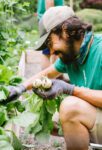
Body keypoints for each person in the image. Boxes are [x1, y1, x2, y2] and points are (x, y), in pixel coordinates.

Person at [7, 6, 102, 150]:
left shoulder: (99, 49)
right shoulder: (71, 56)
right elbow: (47, 73)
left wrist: (69, 89)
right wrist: (20, 88)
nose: (51, 51)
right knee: (46, 119)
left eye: (50, 43)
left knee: (70, 108)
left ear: (65, 31)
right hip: (95, 114)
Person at [37, 0, 64, 69]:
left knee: (55, 50)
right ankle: (46, 78)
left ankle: (57, 76)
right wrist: (52, 23)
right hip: (50, 21)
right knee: (47, 53)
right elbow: (49, 2)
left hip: (47, 20)